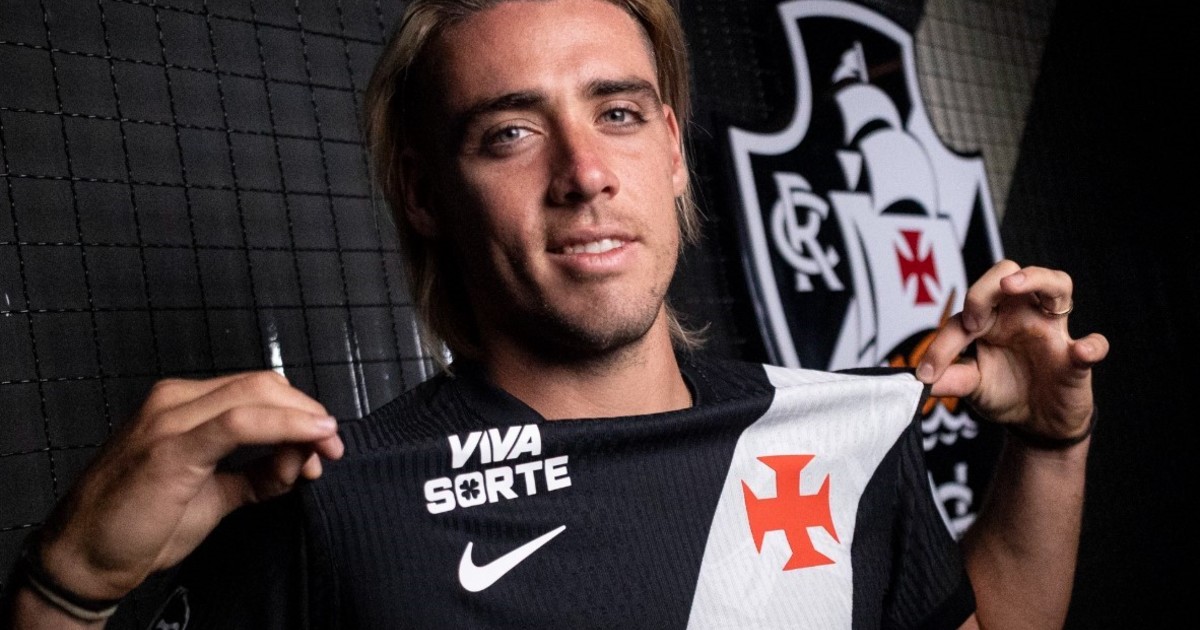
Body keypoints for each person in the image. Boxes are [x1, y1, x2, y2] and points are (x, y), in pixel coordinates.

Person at [3, 0, 1108, 628]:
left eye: (617, 113)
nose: (584, 172)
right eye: (511, 133)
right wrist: (69, 588)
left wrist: (1052, 446)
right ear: (424, 194)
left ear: (670, 150)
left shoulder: (835, 439)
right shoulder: (337, 509)